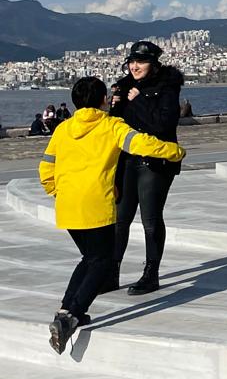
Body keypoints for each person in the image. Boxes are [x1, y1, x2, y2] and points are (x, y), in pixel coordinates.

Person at [39, 76, 185, 353]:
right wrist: (175, 151)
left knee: (91, 258)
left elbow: (46, 167)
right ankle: (71, 317)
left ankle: (66, 310)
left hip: (68, 205)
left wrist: (56, 191)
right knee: (102, 261)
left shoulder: (63, 129)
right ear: (104, 100)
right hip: (96, 205)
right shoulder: (112, 125)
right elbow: (142, 144)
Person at [108, 40, 184, 296]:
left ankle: (151, 273)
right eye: (131, 61)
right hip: (127, 160)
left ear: (154, 64)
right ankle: (111, 272)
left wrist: (139, 101)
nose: (135, 66)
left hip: (155, 161)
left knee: (150, 219)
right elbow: (116, 125)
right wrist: (116, 105)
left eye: (140, 62)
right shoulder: (124, 87)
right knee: (120, 219)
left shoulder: (167, 88)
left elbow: (164, 125)